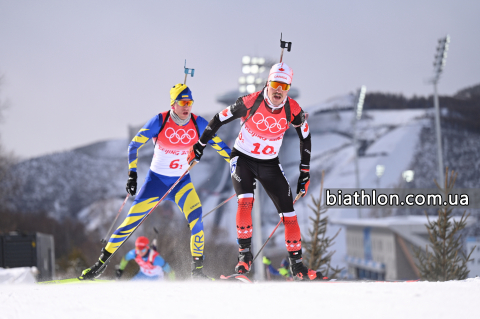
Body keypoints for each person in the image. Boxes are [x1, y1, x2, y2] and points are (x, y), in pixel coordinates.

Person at [80, 83, 231, 280]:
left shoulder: (199, 123)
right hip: (156, 182)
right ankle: (99, 265)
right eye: (183, 102)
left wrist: (239, 165)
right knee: (129, 223)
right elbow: (134, 145)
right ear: (173, 103)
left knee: (197, 221)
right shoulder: (160, 121)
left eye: (190, 102)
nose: (187, 107)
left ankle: (197, 271)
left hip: (181, 183)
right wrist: (132, 175)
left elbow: (222, 148)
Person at [188, 62, 323, 281]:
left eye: (285, 86)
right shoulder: (250, 101)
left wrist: (304, 172)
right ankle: (244, 255)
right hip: (243, 159)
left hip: (269, 163)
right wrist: (199, 146)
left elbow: (305, 137)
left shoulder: (293, 109)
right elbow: (219, 119)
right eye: (276, 84)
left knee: (289, 215)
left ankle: (297, 266)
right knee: (245, 201)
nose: (279, 90)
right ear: (268, 83)